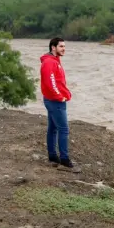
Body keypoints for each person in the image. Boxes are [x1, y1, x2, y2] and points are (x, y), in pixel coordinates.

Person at [40, 37, 79, 172]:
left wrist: (65, 93)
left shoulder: (55, 61)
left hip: (53, 100)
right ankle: (64, 159)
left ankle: (52, 156)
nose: (64, 49)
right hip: (55, 101)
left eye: (64, 46)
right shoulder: (49, 62)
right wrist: (60, 96)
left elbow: (57, 81)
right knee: (63, 129)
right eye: (61, 46)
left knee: (53, 129)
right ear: (53, 47)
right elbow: (50, 82)